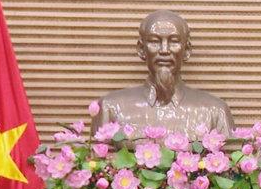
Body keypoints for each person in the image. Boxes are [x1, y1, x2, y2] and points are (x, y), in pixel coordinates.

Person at [93, 10, 235, 138]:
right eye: (155, 42)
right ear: (141, 49)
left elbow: (231, 164)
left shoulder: (215, 111)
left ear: (186, 50)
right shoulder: (110, 108)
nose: (165, 50)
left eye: (174, 42)